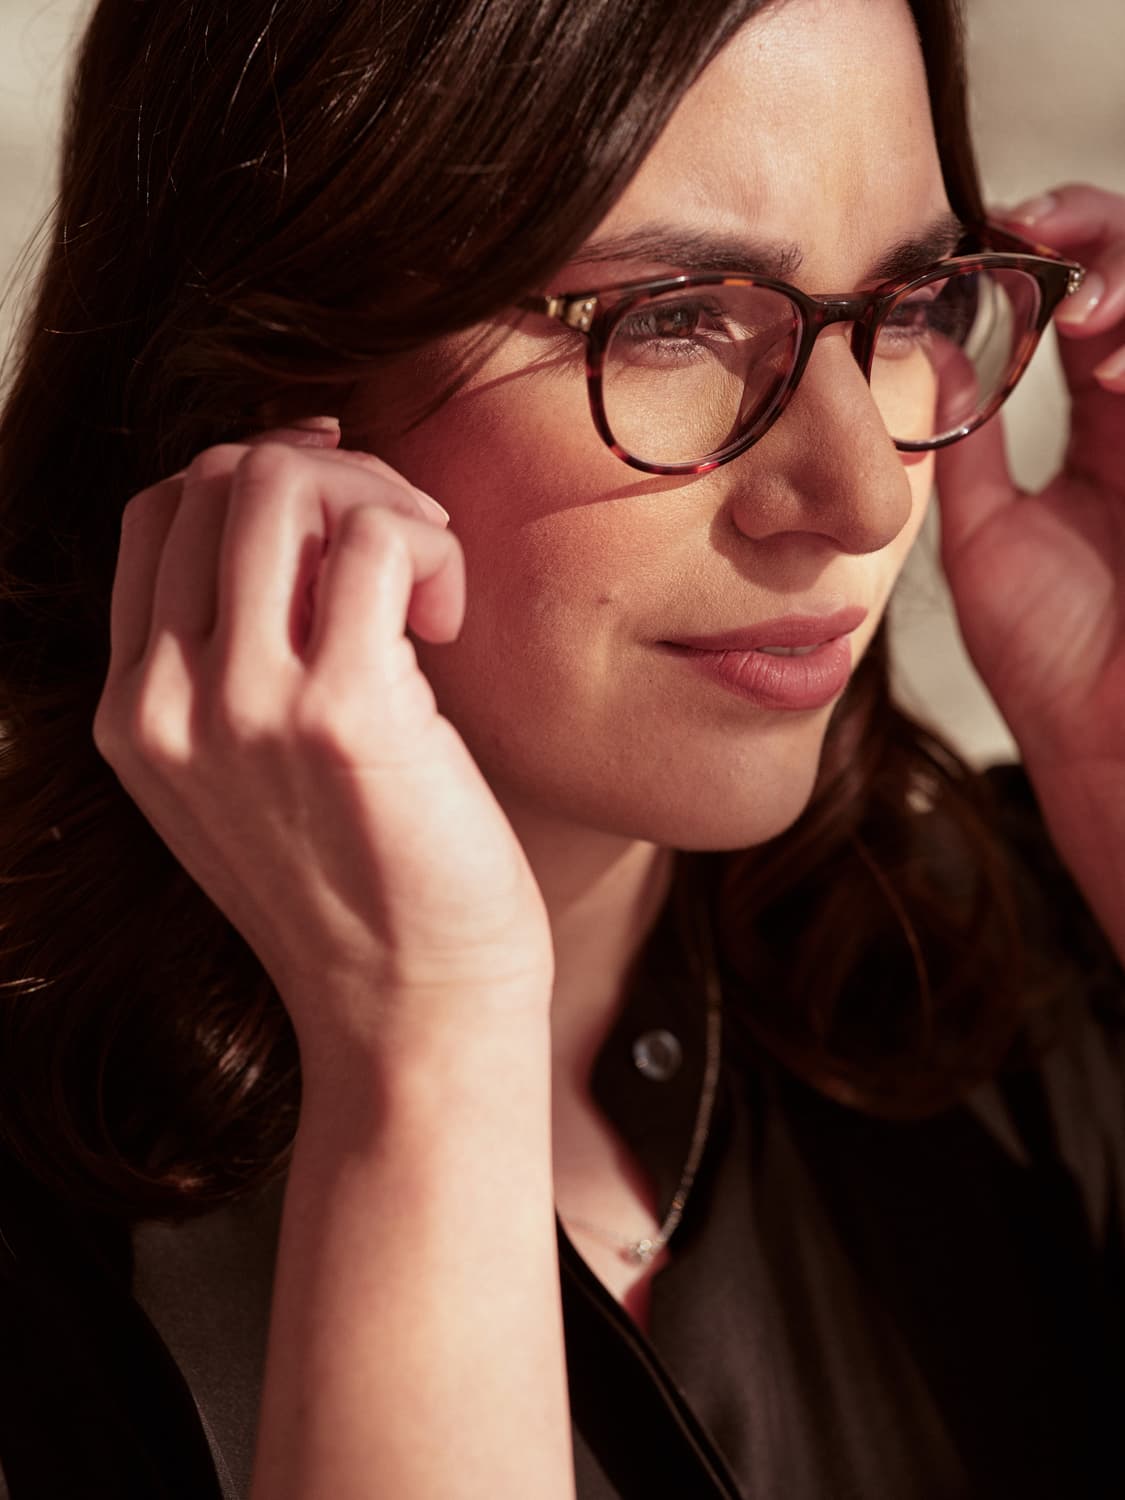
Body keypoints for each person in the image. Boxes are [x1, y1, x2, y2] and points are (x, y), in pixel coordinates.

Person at [0, 0, 1122, 1494]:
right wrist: (424, 1037)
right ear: (270, 368)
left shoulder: (1021, 971)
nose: (857, 493)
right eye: (673, 318)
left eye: (911, 307)